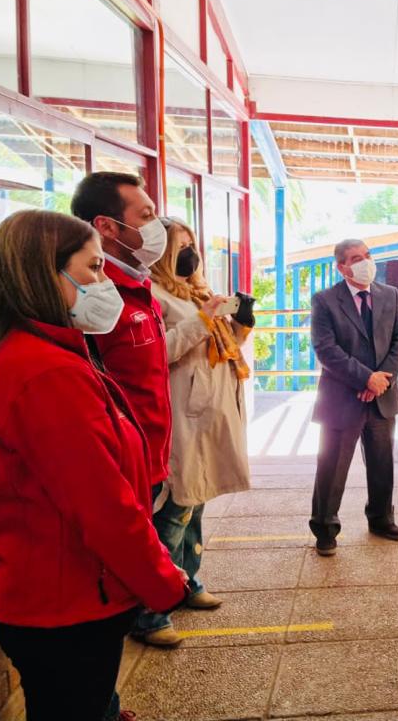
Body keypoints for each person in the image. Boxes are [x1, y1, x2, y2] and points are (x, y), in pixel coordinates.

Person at [0, 211, 188, 721]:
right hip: (67, 602)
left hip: (60, 592)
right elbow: (102, 505)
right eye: (94, 267)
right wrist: (163, 580)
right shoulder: (45, 373)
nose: (106, 283)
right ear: (44, 273)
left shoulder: (45, 354)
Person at [131, 216, 254, 636]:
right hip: (182, 414)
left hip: (211, 412)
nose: (191, 254)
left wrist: (240, 323)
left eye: (192, 245)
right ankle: (151, 609)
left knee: (197, 501)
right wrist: (202, 318)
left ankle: (187, 580)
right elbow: (159, 352)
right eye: (181, 247)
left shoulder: (196, 291)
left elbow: (223, 347)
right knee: (176, 507)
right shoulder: (152, 294)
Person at [71, 172, 179, 647]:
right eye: (146, 215)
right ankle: (139, 618)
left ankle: (145, 608)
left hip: (150, 450)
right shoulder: (94, 297)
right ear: (107, 226)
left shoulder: (138, 286)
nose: (158, 226)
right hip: (120, 458)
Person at [309, 238, 398, 554]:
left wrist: (380, 380)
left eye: (367, 255)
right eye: (356, 258)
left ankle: (381, 519)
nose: (365, 262)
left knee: (382, 463)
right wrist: (366, 378)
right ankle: (325, 529)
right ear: (341, 267)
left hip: (382, 397)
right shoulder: (325, 301)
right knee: (332, 467)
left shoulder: (390, 295)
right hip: (342, 398)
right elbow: (326, 349)